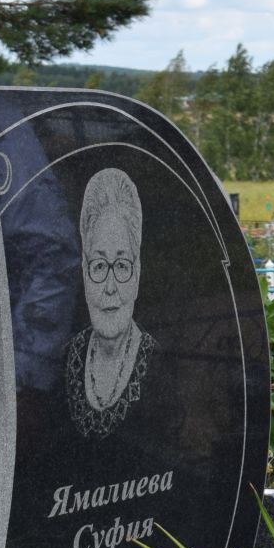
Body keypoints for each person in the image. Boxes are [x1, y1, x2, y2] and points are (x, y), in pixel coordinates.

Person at [66, 167, 158, 439]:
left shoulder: (162, 366)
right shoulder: (62, 362)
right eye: (98, 266)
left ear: (138, 273)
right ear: (84, 272)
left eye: (121, 265)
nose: (109, 287)